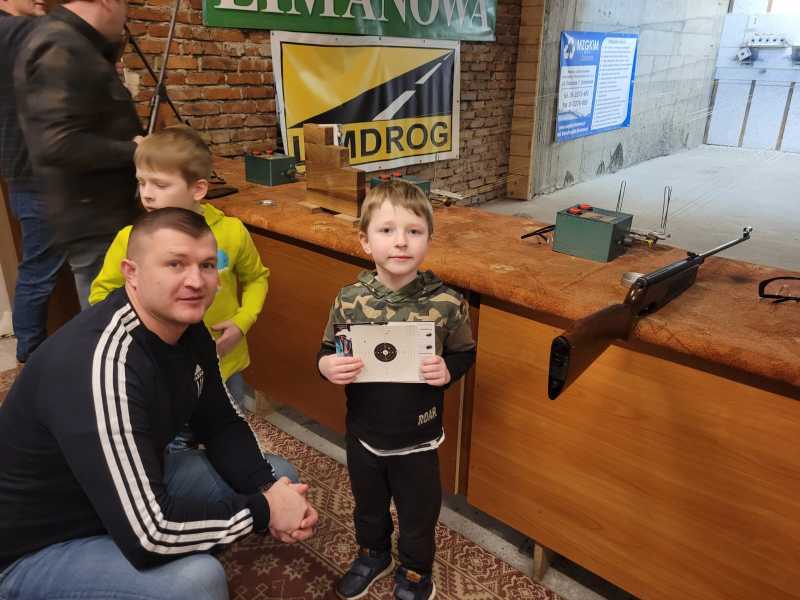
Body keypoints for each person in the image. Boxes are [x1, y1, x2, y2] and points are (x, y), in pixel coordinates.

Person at [0, 208, 318, 600]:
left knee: (276, 475)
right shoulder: (102, 364)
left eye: (207, 265)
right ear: (131, 273)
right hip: (39, 542)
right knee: (198, 582)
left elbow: (221, 422)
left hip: (118, 486)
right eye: (175, 264)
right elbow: (149, 536)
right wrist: (265, 511)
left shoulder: (189, 329)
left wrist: (271, 492)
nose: (195, 281)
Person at [317, 179, 476, 600]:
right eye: (386, 230)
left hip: (418, 438)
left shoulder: (447, 303)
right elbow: (328, 350)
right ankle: (373, 554)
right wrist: (327, 366)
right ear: (365, 241)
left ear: (429, 239)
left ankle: (416, 570)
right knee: (368, 505)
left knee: (418, 513)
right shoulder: (348, 299)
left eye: (414, 231)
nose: (401, 241)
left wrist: (448, 370)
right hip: (363, 432)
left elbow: (464, 352)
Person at [90, 126, 269, 411]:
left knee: (229, 425)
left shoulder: (232, 232)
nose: (147, 195)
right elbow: (101, 295)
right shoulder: (130, 239)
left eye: (160, 185)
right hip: (160, 369)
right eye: (142, 182)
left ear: (198, 189)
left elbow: (257, 278)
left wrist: (242, 322)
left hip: (224, 363)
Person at [14, 0, 143, 309]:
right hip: (95, 221)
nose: (126, 16)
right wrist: (136, 150)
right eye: (125, 6)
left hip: (102, 217)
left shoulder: (77, 44)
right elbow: (56, 144)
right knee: (109, 321)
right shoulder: (59, 45)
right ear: (107, 2)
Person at [0, 0, 65, 364]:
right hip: (39, 176)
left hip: (27, 174)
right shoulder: (16, 33)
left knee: (39, 269)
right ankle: (31, 355)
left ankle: (32, 352)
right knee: (39, 272)